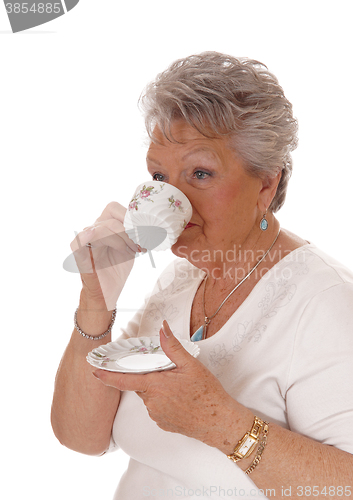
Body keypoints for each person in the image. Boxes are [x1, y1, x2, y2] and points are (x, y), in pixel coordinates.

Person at [51, 52, 353, 499]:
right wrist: (97, 304)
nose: (174, 197)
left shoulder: (325, 302)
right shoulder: (179, 281)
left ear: (266, 184)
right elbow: (82, 437)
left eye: (200, 173)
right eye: (159, 176)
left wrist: (224, 425)